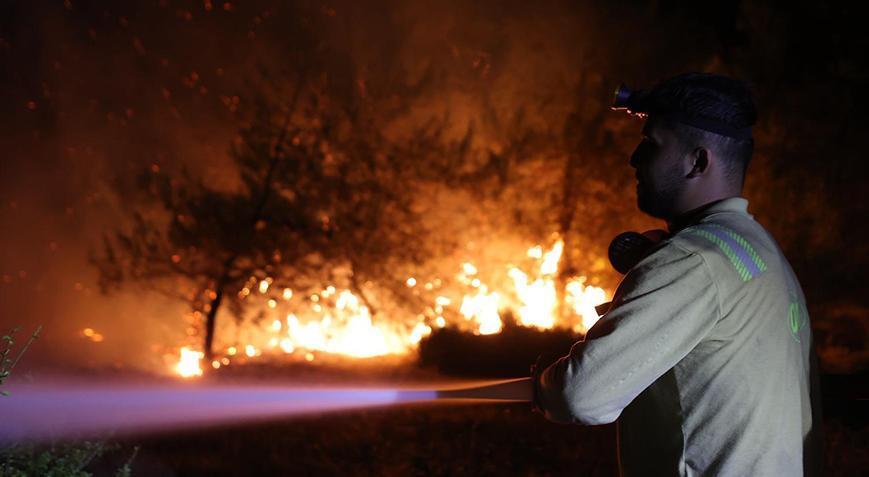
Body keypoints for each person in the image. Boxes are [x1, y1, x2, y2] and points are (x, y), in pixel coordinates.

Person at [531, 73, 823, 476]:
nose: (634, 158)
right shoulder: (760, 251)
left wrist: (545, 381)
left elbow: (580, 396)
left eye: (651, 143)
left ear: (698, 161)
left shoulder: (692, 260)